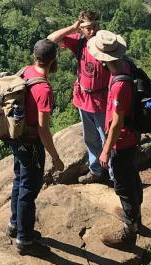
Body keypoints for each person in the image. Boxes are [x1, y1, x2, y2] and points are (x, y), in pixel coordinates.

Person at [0, 40, 65, 254]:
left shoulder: (25, 72)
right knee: (28, 191)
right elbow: (43, 129)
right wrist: (55, 158)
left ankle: (15, 225)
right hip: (31, 143)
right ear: (53, 61)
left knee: (19, 181)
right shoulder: (43, 89)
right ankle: (25, 239)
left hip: (16, 138)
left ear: (34, 57)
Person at [88, 31, 143, 248]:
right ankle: (135, 217)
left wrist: (105, 149)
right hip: (132, 136)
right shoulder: (126, 66)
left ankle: (129, 232)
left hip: (122, 140)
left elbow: (117, 122)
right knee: (132, 177)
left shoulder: (120, 84)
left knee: (123, 186)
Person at [47, 10, 111, 184]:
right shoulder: (80, 42)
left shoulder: (105, 42)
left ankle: (114, 176)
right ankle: (96, 171)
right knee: (90, 138)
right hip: (84, 99)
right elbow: (51, 40)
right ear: (81, 28)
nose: (92, 31)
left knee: (108, 140)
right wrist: (73, 28)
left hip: (103, 101)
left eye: (95, 26)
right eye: (88, 28)